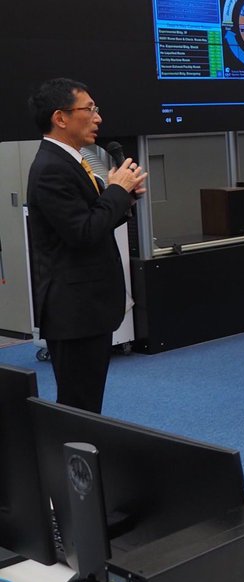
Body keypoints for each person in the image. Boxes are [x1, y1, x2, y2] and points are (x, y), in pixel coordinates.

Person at [26, 78, 148, 413]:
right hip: (74, 310)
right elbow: (82, 232)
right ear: (60, 118)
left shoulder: (73, 160)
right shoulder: (51, 168)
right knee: (78, 405)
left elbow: (93, 220)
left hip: (87, 307)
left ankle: (80, 447)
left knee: (87, 401)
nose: (98, 118)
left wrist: (124, 199)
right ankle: (72, 449)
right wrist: (116, 191)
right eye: (89, 109)